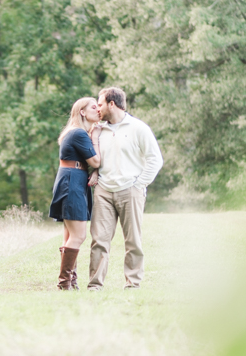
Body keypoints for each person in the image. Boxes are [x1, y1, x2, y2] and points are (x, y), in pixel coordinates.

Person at [87, 87, 163, 290]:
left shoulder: (139, 128)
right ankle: (94, 285)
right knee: (99, 241)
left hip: (131, 190)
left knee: (133, 241)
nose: (97, 107)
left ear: (112, 104)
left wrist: (139, 184)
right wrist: (95, 173)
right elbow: (95, 159)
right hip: (103, 191)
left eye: (100, 103)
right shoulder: (98, 130)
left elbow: (155, 160)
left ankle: (133, 284)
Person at [49, 97, 102, 290]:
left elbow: (90, 164)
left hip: (72, 180)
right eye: (94, 107)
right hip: (72, 183)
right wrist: (95, 137)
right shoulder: (79, 133)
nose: (98, 110)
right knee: (78, 236)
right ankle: (64, 284)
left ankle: (70, 282)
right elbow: (95, 161)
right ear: (82, 111)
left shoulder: (76, 132)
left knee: (69, 236)